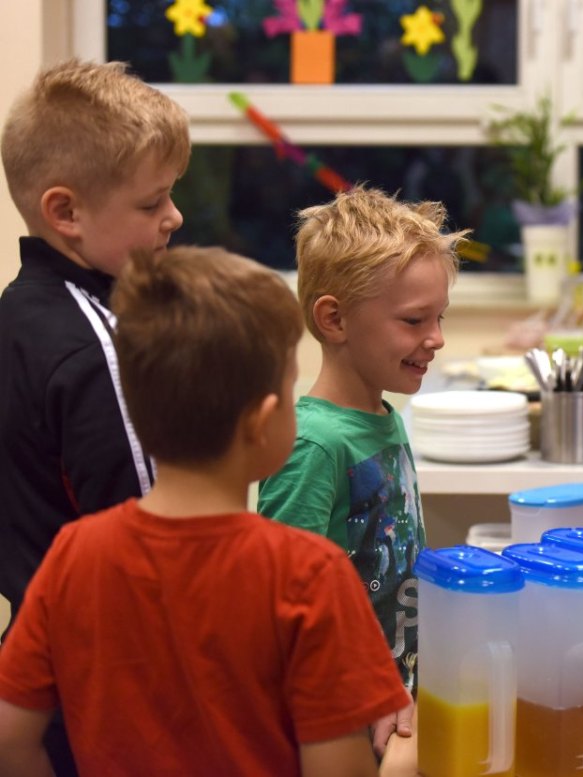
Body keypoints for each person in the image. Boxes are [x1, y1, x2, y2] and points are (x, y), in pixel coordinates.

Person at [0, 246, 412, 775]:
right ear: (263, 422)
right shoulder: (309, 573)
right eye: (289, 391)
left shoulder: (73, 556)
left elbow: (11, 736)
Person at [0, 58, 190, 775]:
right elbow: (153, 545)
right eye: (152, 204)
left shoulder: (17, 312)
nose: (174, 217)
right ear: (65, 213)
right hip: (105, 684)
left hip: (38, 654)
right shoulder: (95, 352)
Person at [257, 188, 467, 716]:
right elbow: (282, 609)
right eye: (415, 321)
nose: (437, 338)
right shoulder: (312, 444)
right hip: (343, 715)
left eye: (440, 318)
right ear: (335, 320)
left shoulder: (383, 416)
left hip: (395, 699)